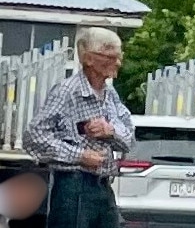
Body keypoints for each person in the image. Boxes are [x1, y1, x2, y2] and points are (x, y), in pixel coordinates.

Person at [23, 27, 134, 228]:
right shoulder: (67, 91)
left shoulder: (110, 95)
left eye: (119, 56)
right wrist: (80, 155)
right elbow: (34, 136)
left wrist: (111, 131)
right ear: (89, 59)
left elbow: (129, 140)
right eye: (111, 56)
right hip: (73, 187)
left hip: (103, 185)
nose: (118, 62)